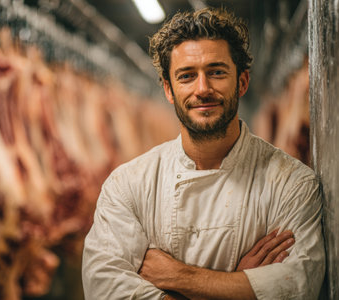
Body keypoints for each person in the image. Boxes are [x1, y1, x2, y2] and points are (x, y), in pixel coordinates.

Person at [82, 7, 325, 300]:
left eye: (217, 72)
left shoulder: (292, 184)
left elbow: (299, 285)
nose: (203, 88)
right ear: (169, 90)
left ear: (242, 82)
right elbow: (104, 288)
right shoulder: (128, 184)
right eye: (186, 76)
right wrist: (239, 284)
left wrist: (176, 276)